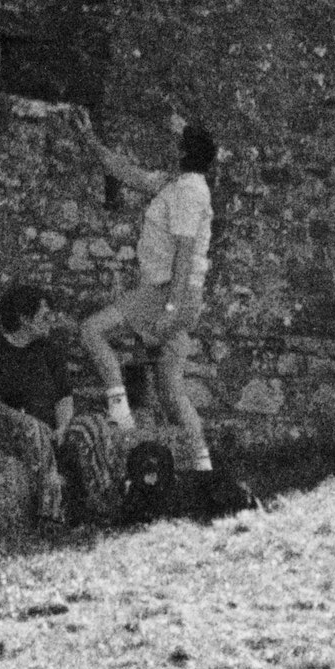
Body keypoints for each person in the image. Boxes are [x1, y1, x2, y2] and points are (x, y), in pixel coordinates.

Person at [77, 119, 218, 481]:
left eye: (176, 142)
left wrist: (170, 308)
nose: (169, 145)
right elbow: (129, 173)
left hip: (169, 293)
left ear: (185, 152)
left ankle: (119, 412)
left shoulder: (190, 192)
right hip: (176, 295)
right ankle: (204, 469)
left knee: (92, 330)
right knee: (172, 389)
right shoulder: (176, 184)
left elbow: (184, 255)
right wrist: (91, 141)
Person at [0, 283, 113, 524]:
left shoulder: (48, 350)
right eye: (44, 316)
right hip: (13, 431)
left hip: (53, 429)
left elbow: (64, 396)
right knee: (35, 429)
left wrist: (63, 426)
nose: (51, 321)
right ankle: (51, 514)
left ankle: (103, 500)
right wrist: (23, 421)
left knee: (92, 424)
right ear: (24, 319)